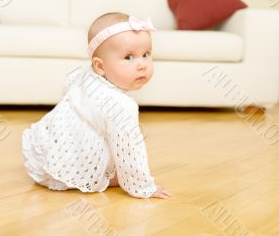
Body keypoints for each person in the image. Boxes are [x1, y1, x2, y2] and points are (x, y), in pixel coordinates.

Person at [22, 12, 171, 199]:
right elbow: (129, 149)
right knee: (116, 154)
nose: (142, 64)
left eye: (146, 54)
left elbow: (69, 86)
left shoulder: (87, 76)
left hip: (42, 155)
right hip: (66, 170)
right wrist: (143, 186)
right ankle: (97, 175)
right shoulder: (119, 106)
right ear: (100, 66)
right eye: (128, 57)